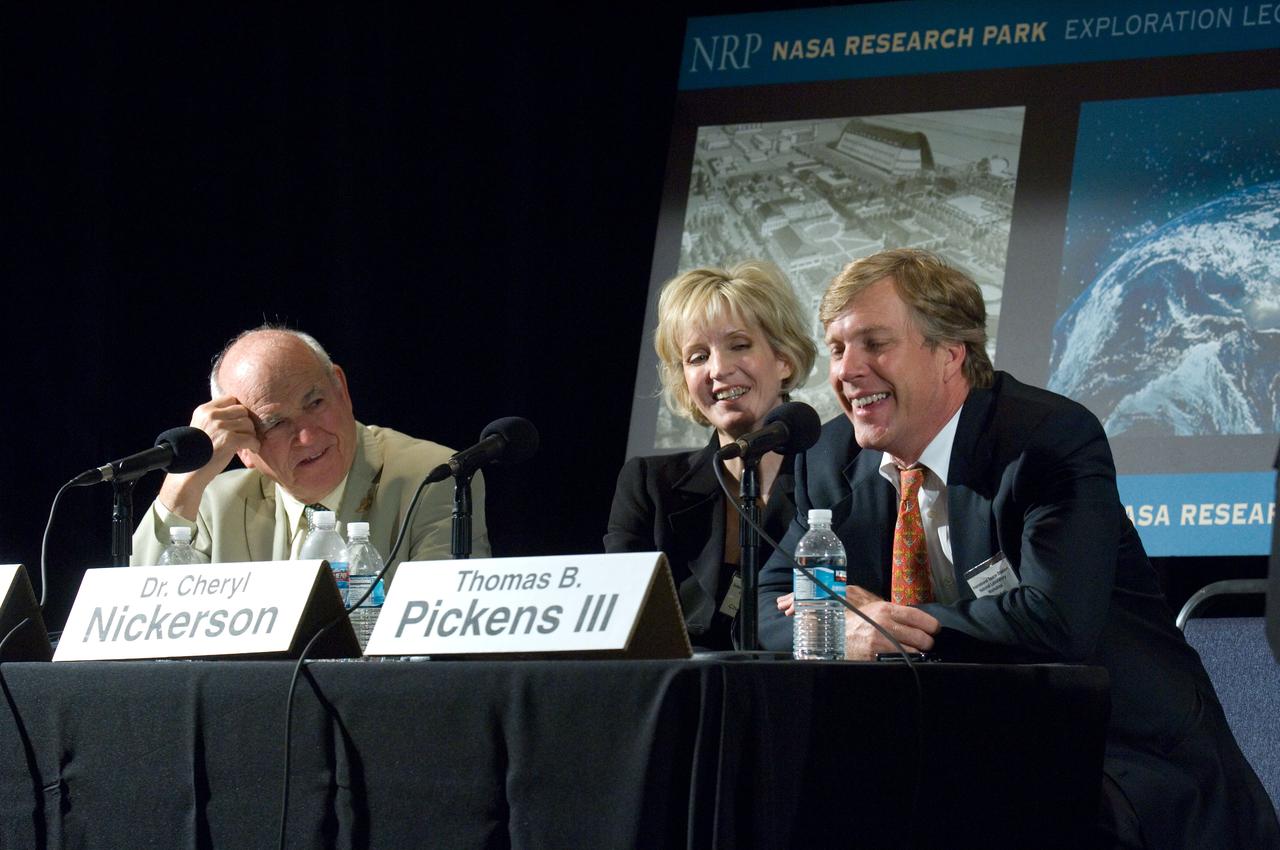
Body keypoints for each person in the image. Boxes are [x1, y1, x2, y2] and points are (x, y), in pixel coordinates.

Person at [757, 249, 1280, 848]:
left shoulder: (1047, 442)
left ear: (950, 352)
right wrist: (839, 631)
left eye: (875, 343)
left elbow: (1056, 620)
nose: (848, 370)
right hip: (946, 742)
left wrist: (891, 629)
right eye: (838, 349)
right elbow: (767, 603)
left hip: (1114, 751)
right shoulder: (828, 459)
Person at [131, 326, 489, 581]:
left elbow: (436, 642)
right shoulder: (212, 505)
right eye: (274, 423)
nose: (307, 435)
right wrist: (184, 482)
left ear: (342, 389)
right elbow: (143, 621)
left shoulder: (433, 479)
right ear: (243, 446)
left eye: (315, 402)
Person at [605, 260, 817, 650]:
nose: (718, 369)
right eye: (697, 357)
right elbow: (620, 623)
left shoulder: (833, 478)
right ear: (684, 380)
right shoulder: (650, 484)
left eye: (739, 345)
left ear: (784, 359)